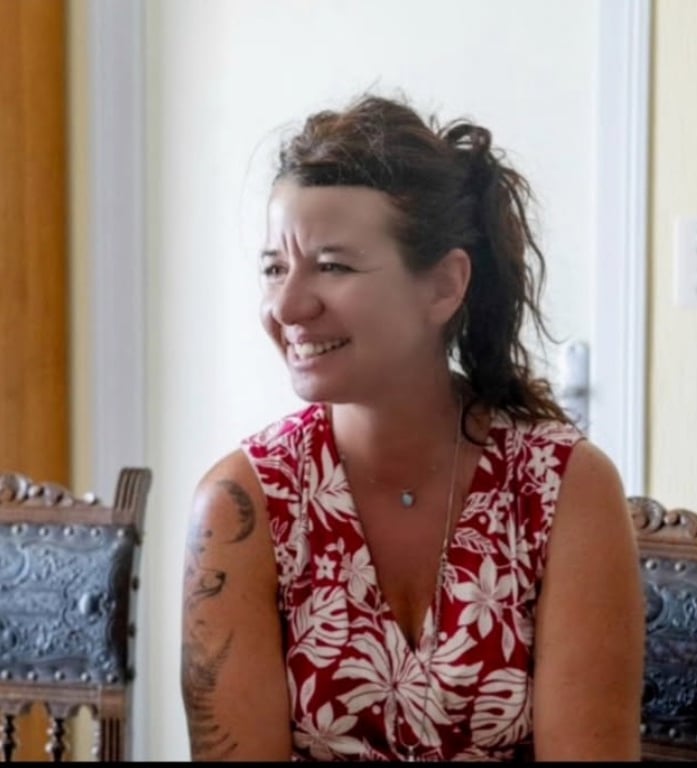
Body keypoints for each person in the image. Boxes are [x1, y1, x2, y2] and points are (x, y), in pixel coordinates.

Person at [180, 93, 645, 762]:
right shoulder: (241, 507)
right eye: (275, 268)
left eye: (332, 265)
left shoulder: (566, 490)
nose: (287, 305)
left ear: (444, 286)